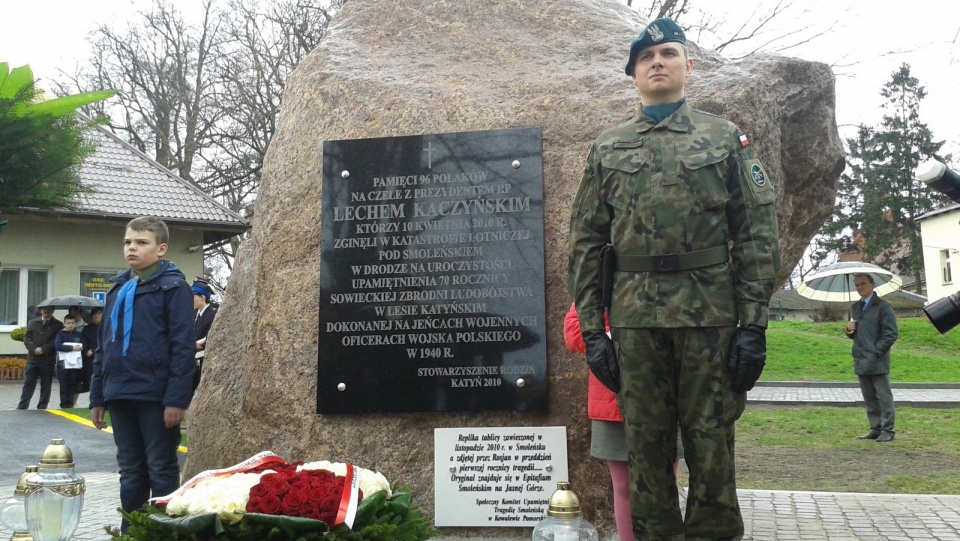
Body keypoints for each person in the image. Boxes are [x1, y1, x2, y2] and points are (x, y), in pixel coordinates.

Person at [567, 17, 780, 539]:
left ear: (688, 65)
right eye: (646, 58)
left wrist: (753, 326)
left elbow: (756, 233)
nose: (656, 63)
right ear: (634, 74)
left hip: (710, 312)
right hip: (637, 319)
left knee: (711, 442)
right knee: (647, 447)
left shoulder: (724, 137)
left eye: (667, 53)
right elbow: (587, 242)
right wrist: (595, 332)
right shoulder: (609, 147)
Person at [90, 216, 196, 533]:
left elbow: (182, 347)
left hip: (156, 395)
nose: (132, 248)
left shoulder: (174, 288)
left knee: (161, 470)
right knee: (131, 472)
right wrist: (98, 396)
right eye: (128, 242)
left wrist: (176, 398)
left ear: (161, 249)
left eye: (141, 242)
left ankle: (163, 534)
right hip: (119, 392)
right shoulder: (118, 289)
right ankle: (132, 534)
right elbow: (103, 347)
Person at [844, 273, 899, 443]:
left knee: (884, 397)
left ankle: (888, 430)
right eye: (857, 285)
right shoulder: (855, 308)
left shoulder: (884, 306)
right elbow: (856, 335)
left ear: (872, 285)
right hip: (860, 358)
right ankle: (875, 428)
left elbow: (891, 334)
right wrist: (849, 330)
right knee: (869, 397)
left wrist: (876, 351)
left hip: (877, 359)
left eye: (863, 284)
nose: (860, 287)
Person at [17, 306, 64, 410]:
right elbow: (27, 338)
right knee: (28, 383)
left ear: (53, 311)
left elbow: (56, 341)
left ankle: (42, 406)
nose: (47, 311)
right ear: (41, 310)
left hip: (47, 359)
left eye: (49, 309)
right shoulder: (32, 322)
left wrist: (43, 349)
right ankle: (22, 406)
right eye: (45, 309)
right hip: (33, 358)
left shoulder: (58, 325)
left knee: (46, 384)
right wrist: (34, 349)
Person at [190, 277, 219, 391]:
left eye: (193, 297)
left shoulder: (213, 314)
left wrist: (201, 342)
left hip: (204, 362)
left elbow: (216, 335)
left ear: (202, 297)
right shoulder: (194, 314)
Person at [55, 314, 87, 408]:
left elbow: (84, 345)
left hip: (75, 364)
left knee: (74, 384)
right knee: (64, 385)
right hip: (64, 364)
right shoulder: (60, 334)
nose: (70, 325)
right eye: (68, 323)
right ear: (64, 324)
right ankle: (64, 405)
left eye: (72, 323)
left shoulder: (78, 335)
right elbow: (58, 346)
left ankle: (72, 403)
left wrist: (81, 348)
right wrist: (72, 348)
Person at [80, 307, 103, 400]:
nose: (96, 316)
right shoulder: (87, 328)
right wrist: (86, 351)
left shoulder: (106, 327)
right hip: (90, 358)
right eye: (94, 314)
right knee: (91, 380)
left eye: (99, 314)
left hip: (102, 357)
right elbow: (83, 341)